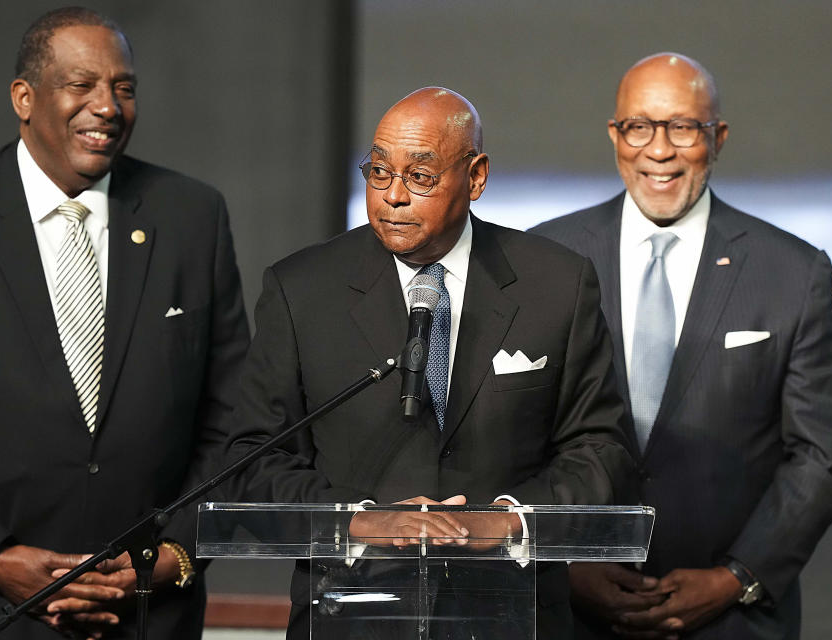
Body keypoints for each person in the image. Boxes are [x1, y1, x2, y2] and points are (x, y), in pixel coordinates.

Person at [224, 86, 635, 639]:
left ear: (476, 177)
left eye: (419, 177)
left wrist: (508, 519)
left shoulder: (557, 284)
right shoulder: (302, 289)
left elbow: (600, 447)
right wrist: (361, 519)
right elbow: (252, 457)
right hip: (354, 609)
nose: (392, 196)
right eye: (377, 172)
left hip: (512, 615)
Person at [0, 7, 249, 639]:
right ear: (25, 98)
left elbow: (232, 419)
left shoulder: (191, 216)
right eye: (82, 85)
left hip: (146, 614)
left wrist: (176, 553)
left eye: (123, 87)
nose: (108, 107)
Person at [531, 52, 832, 639]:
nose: (659, 150)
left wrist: (737, 577)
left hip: (732, 618)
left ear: (719, 137)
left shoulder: (793, 272)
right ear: (615, 135)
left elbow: (824, 452)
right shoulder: (544, 259)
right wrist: (562, 565)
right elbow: (506, 434)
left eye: (684, 127)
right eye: (639, 127)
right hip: (568, 614)